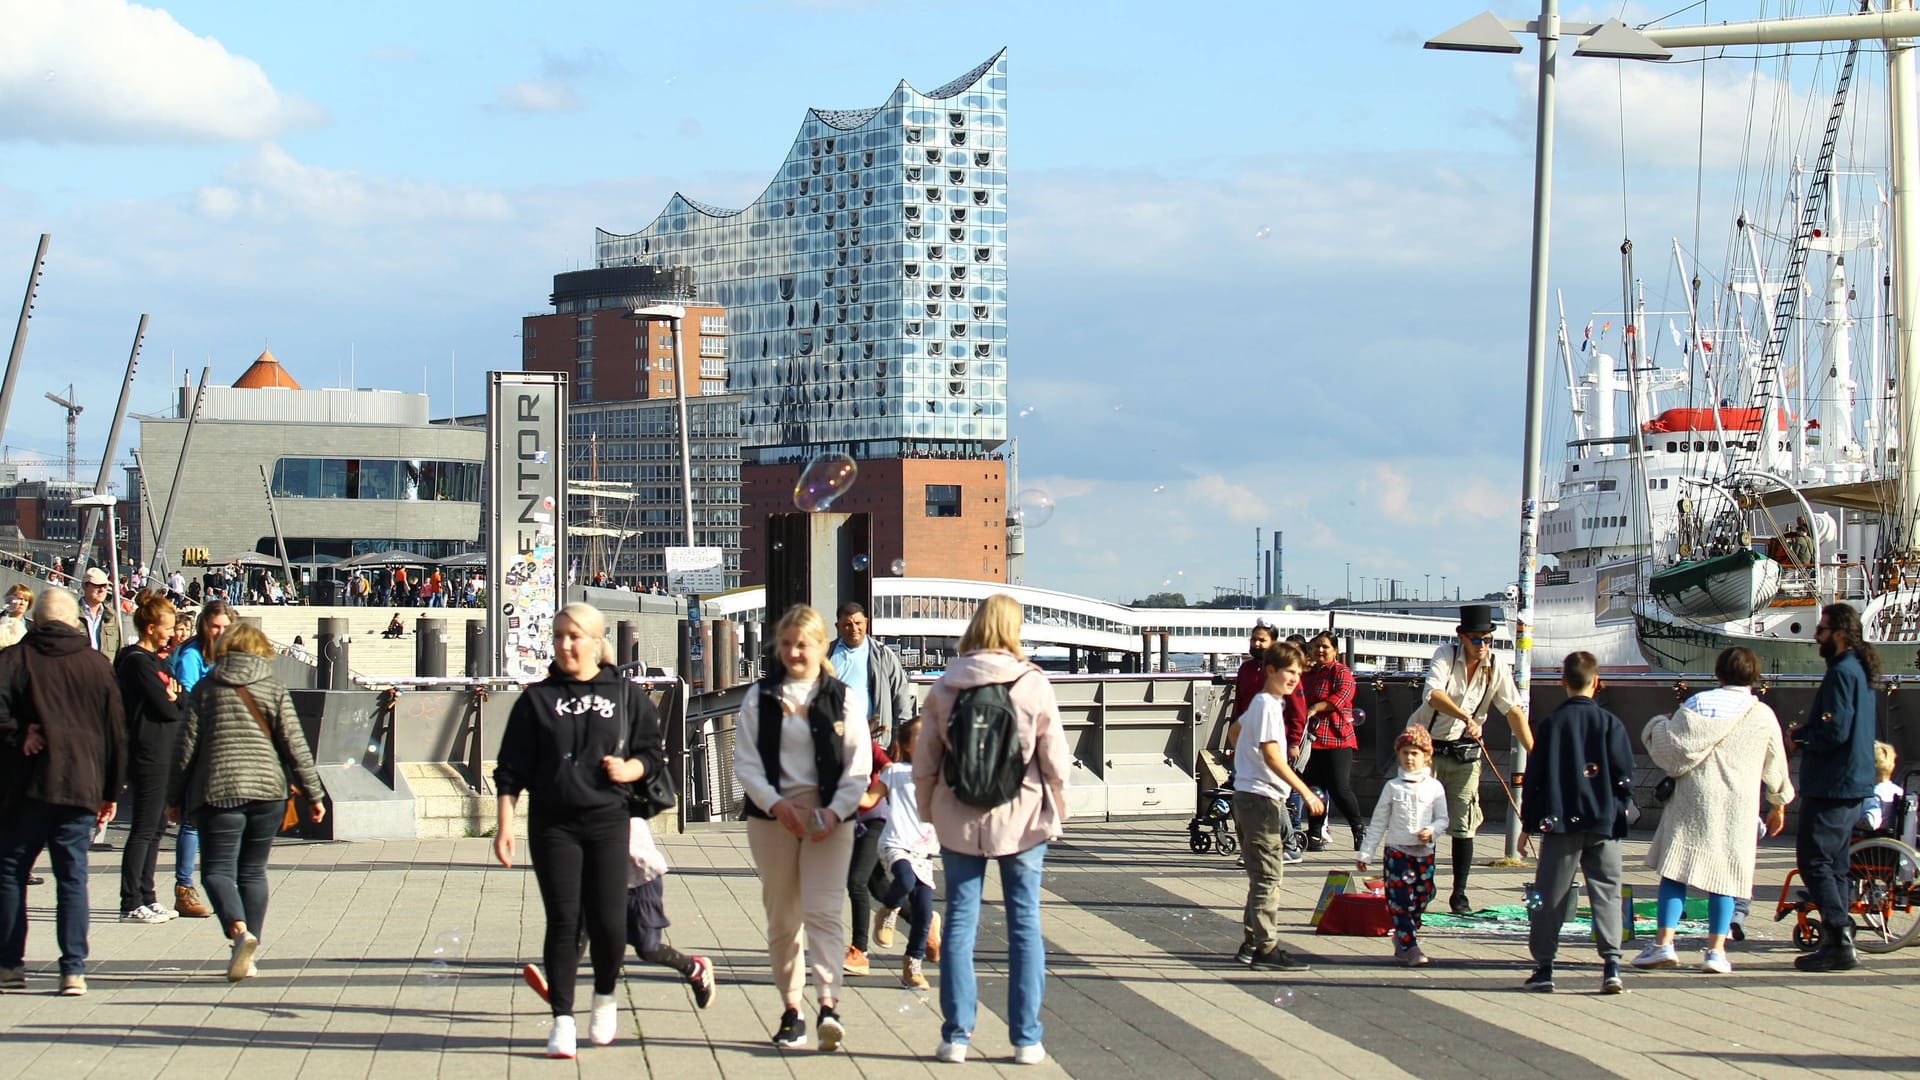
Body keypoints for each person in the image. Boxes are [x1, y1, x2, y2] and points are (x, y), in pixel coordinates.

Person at [493, 603, 664, 1059]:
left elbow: (653, 754)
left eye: (574, 636)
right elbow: (510, 768)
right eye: (558, 637)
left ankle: (605, 998)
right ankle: (562, 1019)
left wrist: (631, 768)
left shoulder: (625, 696)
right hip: (554, 824)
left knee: (609, 923)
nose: (565, 645)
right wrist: (505, 825)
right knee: (564, 921)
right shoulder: (537, 699)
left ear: (595, 641)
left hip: (609, 820)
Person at [913, 594, 1072, 1067]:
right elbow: (1055, 762)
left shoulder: (946, 684)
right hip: (1022, 818)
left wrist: (930, 812)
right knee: (1024, 924)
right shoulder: (1032, 683)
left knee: (960, 923)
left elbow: (925, 762)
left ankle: (956, 1037)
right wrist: (1055, 812)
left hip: (958, 817)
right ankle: (1026, 1039)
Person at [732, 604, 869, 1052]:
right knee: (783, 915)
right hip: (773, 816)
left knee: (824, 911)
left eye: (802, 644)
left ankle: (829, 1005)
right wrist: (774, 803)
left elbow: (857, 767)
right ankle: (792, 1011)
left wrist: (834, 811)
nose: (793, 652)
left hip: (830, 815)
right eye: (786, 644)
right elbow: (746, 764)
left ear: (818, 646)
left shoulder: (842, 698)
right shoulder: (760, 697)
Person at [167, 624, 326, 983]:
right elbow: (295, 745)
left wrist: (173, 799)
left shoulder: (206, 689)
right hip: (268, 793)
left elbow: (185, 749)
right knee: (253, 871)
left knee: (216, 871)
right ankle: (249, 951)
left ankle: (239, 932)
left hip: (219, 791)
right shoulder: (273, 687)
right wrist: (313, 795)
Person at [1633, 646, 1794, 975]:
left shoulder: (1698, 704)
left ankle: (1664, 944)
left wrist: (1656, 725)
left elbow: (1672, 752)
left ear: (1719, 672)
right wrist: (1777, 804)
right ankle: (1716, 952)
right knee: (1727, 879)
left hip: (1693, 800)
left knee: (1675, 872)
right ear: (1753, 675)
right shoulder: (1761, 714)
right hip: (1739, 805)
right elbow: (1776, 765)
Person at [0, 589, 125, 996]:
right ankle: (72, 968)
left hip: (26, 788)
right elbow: (115, 733)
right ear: (75, 622)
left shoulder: (14, 660)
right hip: (81, 784)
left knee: (11, 872)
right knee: (72, 877)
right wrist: (111, 791)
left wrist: (21, 733)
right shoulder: (95, 665)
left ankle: (8, 964)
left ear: (35, 621)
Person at [1518, 652, 1634, 994]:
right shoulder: (1611, 724)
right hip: (1604, 821)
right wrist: (1621, 807)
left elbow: (1535, 778)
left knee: (1549, 895)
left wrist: (1529, 822)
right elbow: (1624, 774)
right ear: (1596, 682)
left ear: (1562, 683)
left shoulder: (1552, 725)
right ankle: (1611, 963)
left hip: (1560, 823)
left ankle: (1544, 966)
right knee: (1607, 892)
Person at [1409, 604, 1533, 914]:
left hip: (1465, 751)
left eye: (1488, 639)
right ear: (1461, 637)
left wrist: (1535, 753)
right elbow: (1433, 694)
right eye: (1476, 639)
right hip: (1428, 747)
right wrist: (1465, 715)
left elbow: (1513, 710)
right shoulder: (1446, 656)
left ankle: (1459, 894)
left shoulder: (1496, 667)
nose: (1483, 645)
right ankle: (1425, 883)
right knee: (1425, 821)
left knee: (1463, 823)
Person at [1223, 641, 1324, 973]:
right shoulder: (1267, 706)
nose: (1295, 678)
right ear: (1270, 671)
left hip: (1251, 795)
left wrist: (1245, 763)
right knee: (1269, 875)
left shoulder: (1259, 704)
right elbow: (1271, 755)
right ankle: (1266, 948)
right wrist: (1304, 791)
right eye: (1289, 672)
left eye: (1298, 672)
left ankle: (1251, 944)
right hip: (1261, 799)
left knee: (1260, 874)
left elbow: (1235, 733)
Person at [1790, 602, 1880, 973]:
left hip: (1833, 782)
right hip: (1853, 780)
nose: (1816, 636)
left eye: (1822, 630)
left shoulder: (1841, 672)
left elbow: (1836, 730)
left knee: (1815, 861)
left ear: (1839, 634)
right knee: (1838, 864)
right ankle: (1836, 939)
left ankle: (1839, 935)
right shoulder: (1858, 669)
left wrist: (1803, 737)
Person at [116, 596, 187, 925]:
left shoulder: (158, 661)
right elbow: (166, 706)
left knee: (158, 826)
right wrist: (173, 699)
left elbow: (181, 698)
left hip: (165, 749)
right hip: (147, 750)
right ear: (150, 628)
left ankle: (147, 893)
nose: (172, 634)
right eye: (168, 628)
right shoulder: (135, 661)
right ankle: (131, 900)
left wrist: (175, 698)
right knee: (144, 827)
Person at [1355, 726, 1447, 966]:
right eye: (1405, 753)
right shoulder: (1392, 787)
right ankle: (1409, 946)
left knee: (1422, 897)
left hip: (1424, 852)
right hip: (1397, 851)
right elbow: (1378, 822)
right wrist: (1366, 852)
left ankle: (1404, 935)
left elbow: (1443, 819)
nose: (1409, 758)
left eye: (1415, 753)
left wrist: (1433, 831)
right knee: (1400, 901)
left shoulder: (1434, 787)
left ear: (1426, 756)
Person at [167, 601, 235, 921]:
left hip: (224, 744)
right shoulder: (193, 656)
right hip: (197, 743)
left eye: (224, 627)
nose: (219, 632)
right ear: (204, 626)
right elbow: (192, 703)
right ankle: (184, 887)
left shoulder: (230, 655)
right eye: (214, 626)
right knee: (192, 820)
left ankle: (223, 880)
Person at [873, 716, 943, 990]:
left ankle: (911, 966)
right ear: (907, 745)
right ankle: (888, 910)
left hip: (924, 851)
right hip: (895, 843)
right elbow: (871, 797)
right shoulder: (895, 772)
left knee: (924, 913)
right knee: (904, 880)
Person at [1301, 632, 1363, 851]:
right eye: (1317, 646)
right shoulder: (1308, 674)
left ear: (1335, 650)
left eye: (1325, 647)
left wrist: (1315, 707)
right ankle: (1315, 833)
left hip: (1337, 739)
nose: (1320, 651)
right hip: (1312, 740)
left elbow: (1341, 698)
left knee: (1339, 788)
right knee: (1315, 788)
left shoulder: (1341, 672)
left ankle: (1358, 827)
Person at [843, 734, 892, 978]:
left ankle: (860, 950)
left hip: (873, 819)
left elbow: (890, 768)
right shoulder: (817, 741)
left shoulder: (864, 742)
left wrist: (872, 795)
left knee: (856, 882)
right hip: (847, 823)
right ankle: (924, 924)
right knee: (879, 887)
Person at [830, 602, 914, 741]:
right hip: (835, 738)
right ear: (837, 626)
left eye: (858, 623)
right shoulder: (826, 654)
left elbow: (901, 696)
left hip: (873, 738)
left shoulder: (882, 655)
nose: (854, 629)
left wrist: (902, 737)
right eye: (847, 625)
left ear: (866, 622)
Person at [79, 567, 123, 656]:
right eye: (97, 585)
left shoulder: (112, 616)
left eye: (105, 586)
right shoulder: (71, 614)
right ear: (85, 586)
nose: (102, 590)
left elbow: (119, 650)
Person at [1863, 742, 1901, 832]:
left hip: (1874, 838)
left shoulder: (1873, 794)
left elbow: (1871, 822)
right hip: (1895, 837)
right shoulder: (1899, 791)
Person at [0, 583, 33, 650]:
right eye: (20, 599)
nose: (22, 603)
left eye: (26, 600)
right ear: (10, 600)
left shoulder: (30, 629)